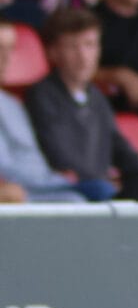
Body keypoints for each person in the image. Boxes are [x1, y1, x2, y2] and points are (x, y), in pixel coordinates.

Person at [26, 7, 138, 198]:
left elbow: (121, 148)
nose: (83, 56)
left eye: (90, 45)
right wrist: (100, 178)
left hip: (101, 186)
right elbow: (58, 154)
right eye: (72, 46)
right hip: (69, 190)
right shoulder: (42, 95)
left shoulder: (97, 97)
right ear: (53, 53)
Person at [0, 22, 85, 203]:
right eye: (0, 48)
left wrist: (55, 178)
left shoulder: (13, 104)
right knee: (76, 201)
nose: (6, 57)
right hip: (22, 192)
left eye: (10, 49)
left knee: (104, 192)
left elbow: (31, 158)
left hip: (44, 184)